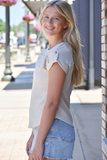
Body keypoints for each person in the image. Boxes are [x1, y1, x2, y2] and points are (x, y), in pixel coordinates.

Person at [26, 0, 85, 160]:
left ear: (66, 23)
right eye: (46, 17)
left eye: (56, 18)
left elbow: (52, 102)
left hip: (54, 131)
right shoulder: (51, 51)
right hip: (48, 129)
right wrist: (35, 132)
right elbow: (42, 96)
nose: (49, 22)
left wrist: (39, 142)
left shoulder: (59, 53)